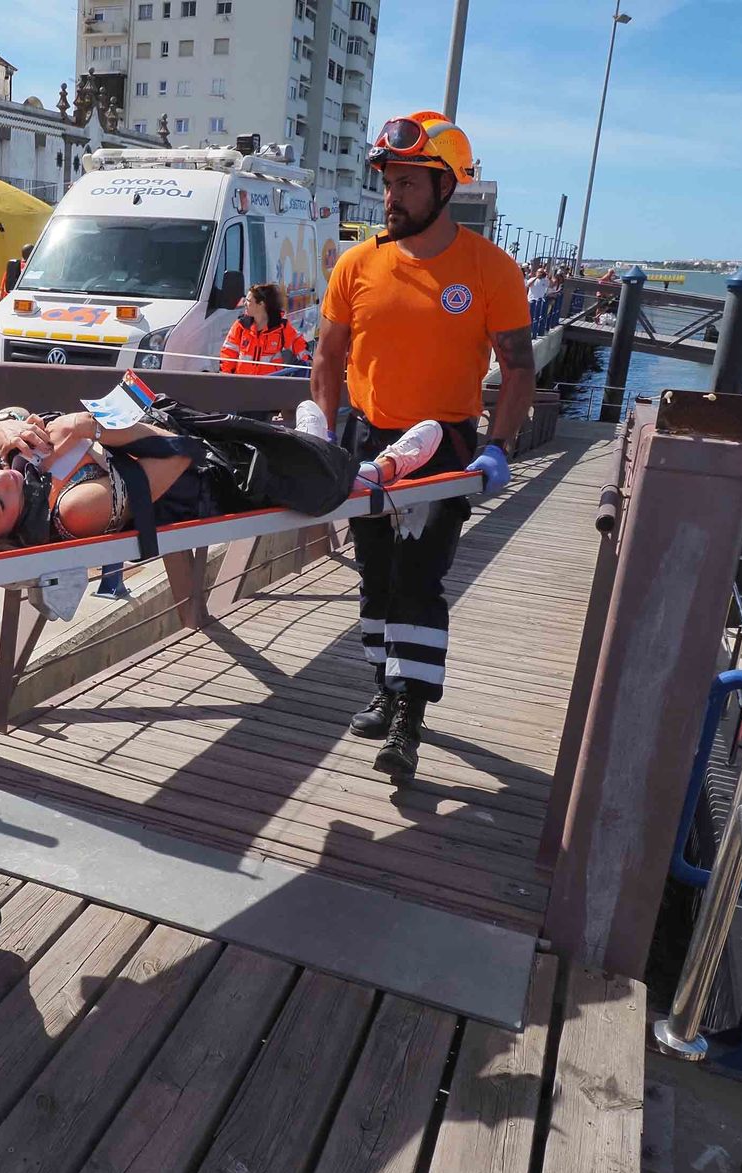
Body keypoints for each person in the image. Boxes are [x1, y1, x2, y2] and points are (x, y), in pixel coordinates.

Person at [311, 109, 534, 781]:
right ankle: (385, 684)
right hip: (369, 443)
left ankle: (411, 711)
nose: (392, 196)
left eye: (408, 183)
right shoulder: (357, 265)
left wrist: (497, 447)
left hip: (444, 448)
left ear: (445, 188)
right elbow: (327, 358)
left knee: (419, 580)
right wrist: (322, 434)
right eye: (388, 182)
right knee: (375, 578)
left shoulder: (491, 270)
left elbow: (519, 367)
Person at [0, 400, 442, 563]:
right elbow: (183, 455)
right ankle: (384, 467)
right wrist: (95, 428)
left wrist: (3, 422)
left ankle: (317, 443)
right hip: (219, 482)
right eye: (0, 499)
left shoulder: (3, 472)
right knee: (323, 482)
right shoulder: (75, 510)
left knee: (288, 447)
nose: (1, 477)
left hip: (178, 442)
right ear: (7, 531)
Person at [219, 283, 312, 376]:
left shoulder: (280, 327)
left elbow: (298, 344)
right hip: (243, 384)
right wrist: (226, 378)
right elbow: (228, 353)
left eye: (248, 301)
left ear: (261, 304)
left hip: (270, 384)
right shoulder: (241, 325)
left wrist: (307, 362)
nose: (244, 304)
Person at [526, 266, 549, 333]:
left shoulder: (545, 280)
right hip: (531, 300)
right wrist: (536, 277)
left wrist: (546, 276)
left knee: (537, 316)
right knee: (529, 316)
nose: (540, 273)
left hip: (539, 301)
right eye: (539, 272)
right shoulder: (532, 279)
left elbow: (550, 284)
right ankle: (528, 330)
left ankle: (535, 331)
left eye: (542, 272)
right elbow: (528, 285)